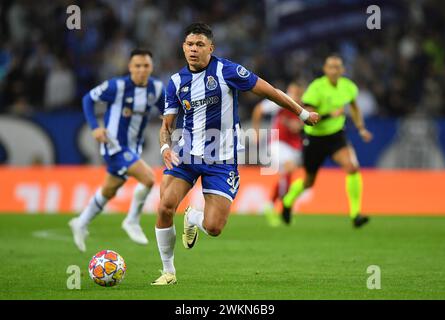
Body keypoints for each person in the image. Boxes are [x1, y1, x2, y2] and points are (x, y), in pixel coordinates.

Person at [151, 23, 319, 285]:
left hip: (222, 159)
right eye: (189, 45)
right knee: (164, 207)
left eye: (199, 45)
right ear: (183, 47)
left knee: (214, 228)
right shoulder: (175, 83)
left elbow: (271, 93)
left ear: (210, 48)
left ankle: (193, 216)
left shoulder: (227, 70)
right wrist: (164, 147)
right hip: (187, 156)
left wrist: (303, 113)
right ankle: (168, 271)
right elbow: (166, 126)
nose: (193, 50)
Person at [69, 49, 165, 252]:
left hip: (133, 147)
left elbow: (168, 110)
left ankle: (81, 222)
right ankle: (131, 221)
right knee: (148, 178)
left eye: (145, 66)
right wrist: (95, 127)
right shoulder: (117, 86)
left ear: (151, 67)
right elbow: (88, 99)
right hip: (113, 145)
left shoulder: (156, 88)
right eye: (137, 66)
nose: (141, 70)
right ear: (130, 67)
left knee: (109, 189)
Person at [280, 54, 373, 227]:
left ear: (343, 70)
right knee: (309, 181)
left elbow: (354, 106)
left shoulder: (348, 87)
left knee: (352, 167)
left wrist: (361, 128)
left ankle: (355, 214)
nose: (334, 70)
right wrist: (331, 115)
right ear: (325, 69)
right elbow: (307, 115)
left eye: (337, 67)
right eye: (331, 67)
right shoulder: (316, 88)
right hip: (314, 138)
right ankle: (287, 201)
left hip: (336, 135)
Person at [251, 82, 305, 226]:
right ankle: (282, 206)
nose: (293, 95)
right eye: (291, 91)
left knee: (288, 175)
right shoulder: (280, 100)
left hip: (294, 146)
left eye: (296, 93)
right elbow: (259, 109)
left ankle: (272, 206)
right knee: (288, 168)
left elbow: (305, 123)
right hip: (278, 142)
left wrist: (299, 126)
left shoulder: (304, 106)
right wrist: (256, 131)